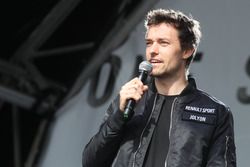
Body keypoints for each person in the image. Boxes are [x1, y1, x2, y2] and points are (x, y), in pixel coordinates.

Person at [82, 8, 236, 167]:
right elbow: (91, 163)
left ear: (187, 51)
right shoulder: (129, 102)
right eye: (149, 43)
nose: (153, 51)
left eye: (163, 43)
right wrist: (119, 117)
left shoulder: (215, 112)